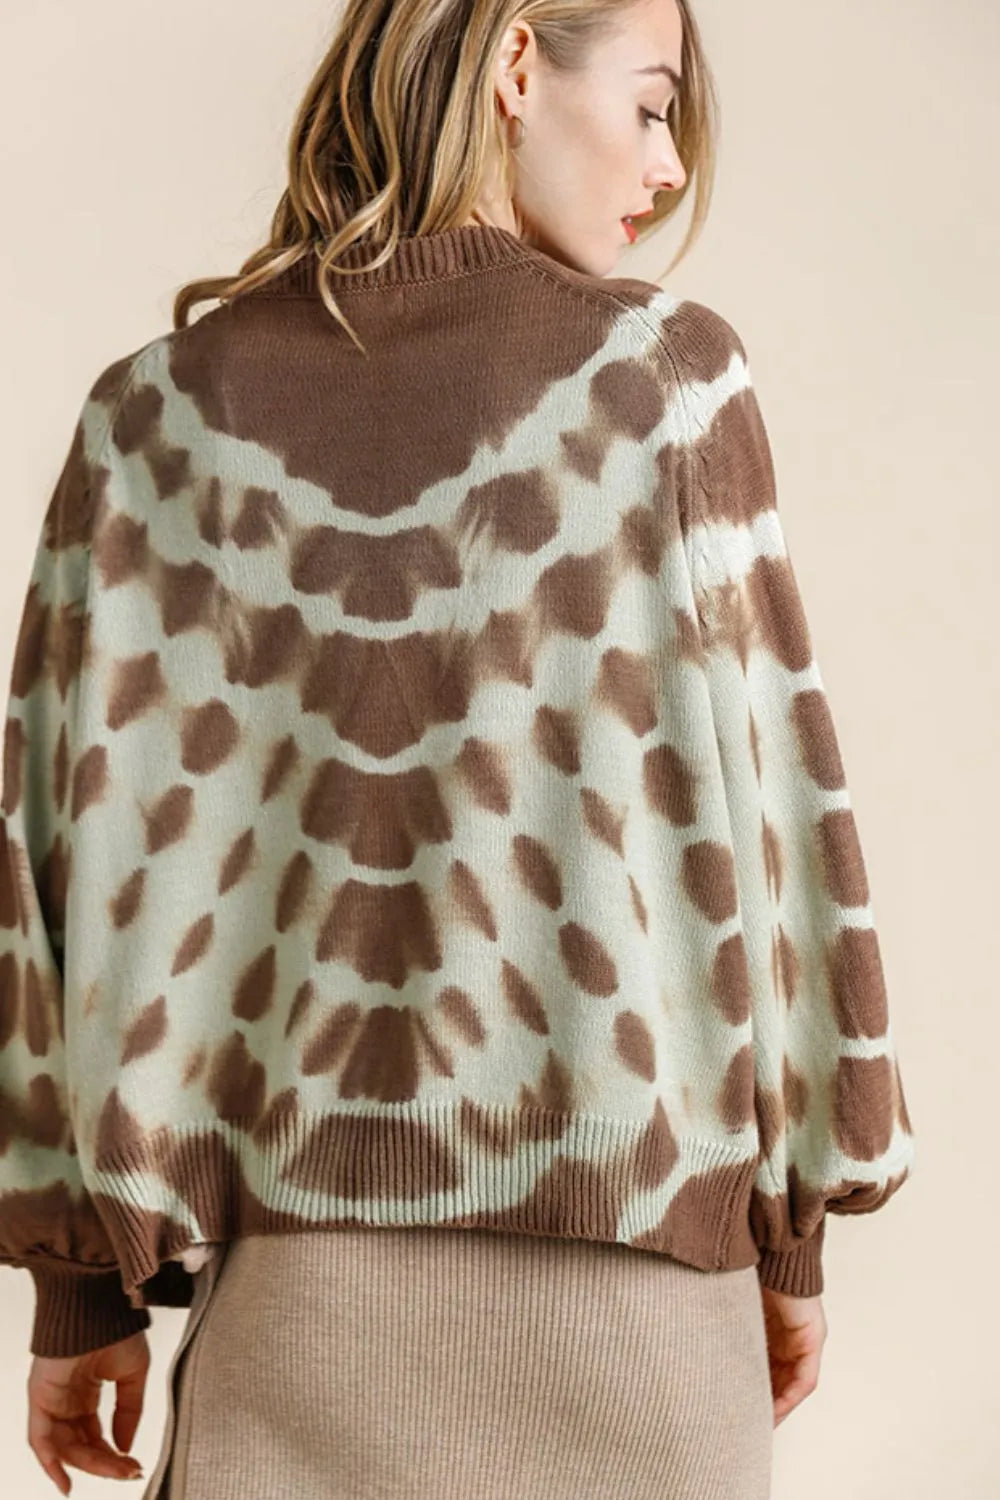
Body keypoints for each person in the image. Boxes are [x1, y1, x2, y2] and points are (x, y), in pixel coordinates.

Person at [1, 1, 916, 1497]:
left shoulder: (153, 418)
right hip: (642, 1343)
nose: (669, 166)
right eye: (651, 106)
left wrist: (78, 1289)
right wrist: (792, 1230)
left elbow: (54, 872)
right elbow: (786, 829)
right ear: (515, 66)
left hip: (294, 1338)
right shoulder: (671, 387)